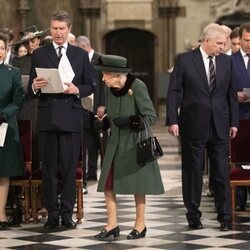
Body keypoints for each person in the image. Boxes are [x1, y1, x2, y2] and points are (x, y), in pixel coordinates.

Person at [166, 23, 239, 231]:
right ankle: (193, 214)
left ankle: (224, 215)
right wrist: (172, 120)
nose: (222, 47)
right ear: (206, 41)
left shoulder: (226, 62)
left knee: (221, 172)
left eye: (224, 44)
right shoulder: (185, 60)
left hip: (220, 124)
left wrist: (233, 122)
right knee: (193, 171)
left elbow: (231, 94)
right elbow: (174, 92)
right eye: (219, 43)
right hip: (193, 124)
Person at [27, 10, 95, 230]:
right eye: (54, 28)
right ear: (51, 28)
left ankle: (67, 215)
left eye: (62, 28)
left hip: (72, 117)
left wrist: (77, 89)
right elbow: (30, 89)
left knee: (67, 169)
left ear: (69, 29)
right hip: (47, 118)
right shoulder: (39, 54)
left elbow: (91, 85)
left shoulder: (80, 55)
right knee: (49, 170)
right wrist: (34, 87)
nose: (58, 32)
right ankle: (52, 215)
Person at [93, 54, 164, 240]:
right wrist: (105, 123)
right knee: (108, 184)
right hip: (115, 143)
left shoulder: (137, 86)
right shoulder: (110, 89)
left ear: (117, 75)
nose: (103, 79)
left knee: (137, 186)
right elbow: (112, 114)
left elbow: (150, 116)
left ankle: (140, 225)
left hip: (134, 143)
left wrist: (131, 121)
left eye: (106, 75)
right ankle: (112, 225)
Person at [0, 32, 25, 229]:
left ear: (6, 50)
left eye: (1, 48)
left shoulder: (12, 72)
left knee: (3, 171)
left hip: (4, 126)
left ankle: (1, 214)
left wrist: (3, 114)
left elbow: (18, 99)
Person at [76, 35, 107, 182]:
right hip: (84, 106)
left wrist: (103, 105)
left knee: (101, 142)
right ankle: (91, 172)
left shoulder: (100, 59)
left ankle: (107, 173)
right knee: (88, 142)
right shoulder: (79, 60)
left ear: (83, 46)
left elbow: (105, 84)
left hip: (98, 108)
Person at [231, 22, 250, 211]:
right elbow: (224, 87)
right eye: (246, 40)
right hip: (239, 115)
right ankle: (240, 199)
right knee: (239, 158)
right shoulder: (231, 60)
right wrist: (234, 95)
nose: (249, 44)